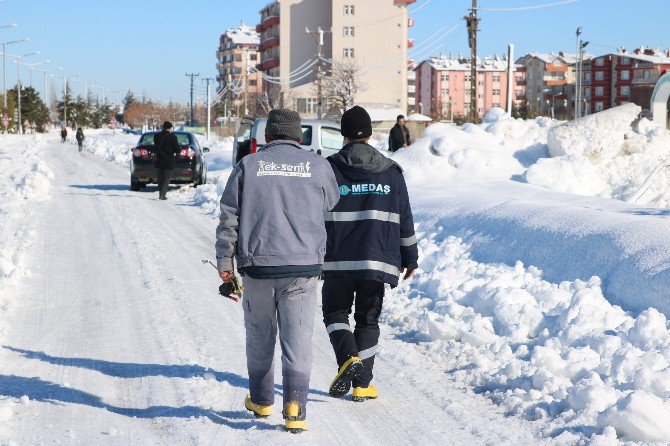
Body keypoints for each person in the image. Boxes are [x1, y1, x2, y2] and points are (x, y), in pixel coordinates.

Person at [215, 109, 340, 433]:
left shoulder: (248, 166)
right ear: (299, 137)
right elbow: (332, 202)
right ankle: (295, 405)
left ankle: (261, 400)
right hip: (302, 268)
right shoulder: (318, 165)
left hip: (258, 267)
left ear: (267, 136)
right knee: (297, 338)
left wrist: (226, 262)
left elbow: (229, 216)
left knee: (260, 335)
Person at [322, 106, 418, 402]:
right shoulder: (391, 171)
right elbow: (404, 217)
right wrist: (410, 257)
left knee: (335, 312)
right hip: (377, 260)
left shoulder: (329, 169)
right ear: (370, 134)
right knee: (368, 321)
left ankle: (349, 358)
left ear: (344, 134)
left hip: (337, 259)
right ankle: (362, 384)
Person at [153, 121, 181, 200]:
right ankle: (162, 194)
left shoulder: (156, 136)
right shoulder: (173, 137)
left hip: (158, 160)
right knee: (166, 178)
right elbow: (177, 150)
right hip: (168, 161)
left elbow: (155, 148)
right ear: (170, 128)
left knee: (160, 178)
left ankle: (161, 193)